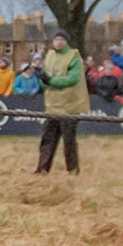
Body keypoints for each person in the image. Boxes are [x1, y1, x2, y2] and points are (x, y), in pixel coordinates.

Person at [38, 30, 87, 174]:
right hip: (53, 105)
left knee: (69, 140)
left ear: (67, 42)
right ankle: (42, 168)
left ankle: (72, 170)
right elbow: (44, 77)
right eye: (56, 39)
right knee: (48, 139)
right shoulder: (49, 56)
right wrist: (43, 80)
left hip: (69, 106)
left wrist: (51, 81)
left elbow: (73, 78)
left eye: (62, 40)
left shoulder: (73, 56)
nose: (59, 42)